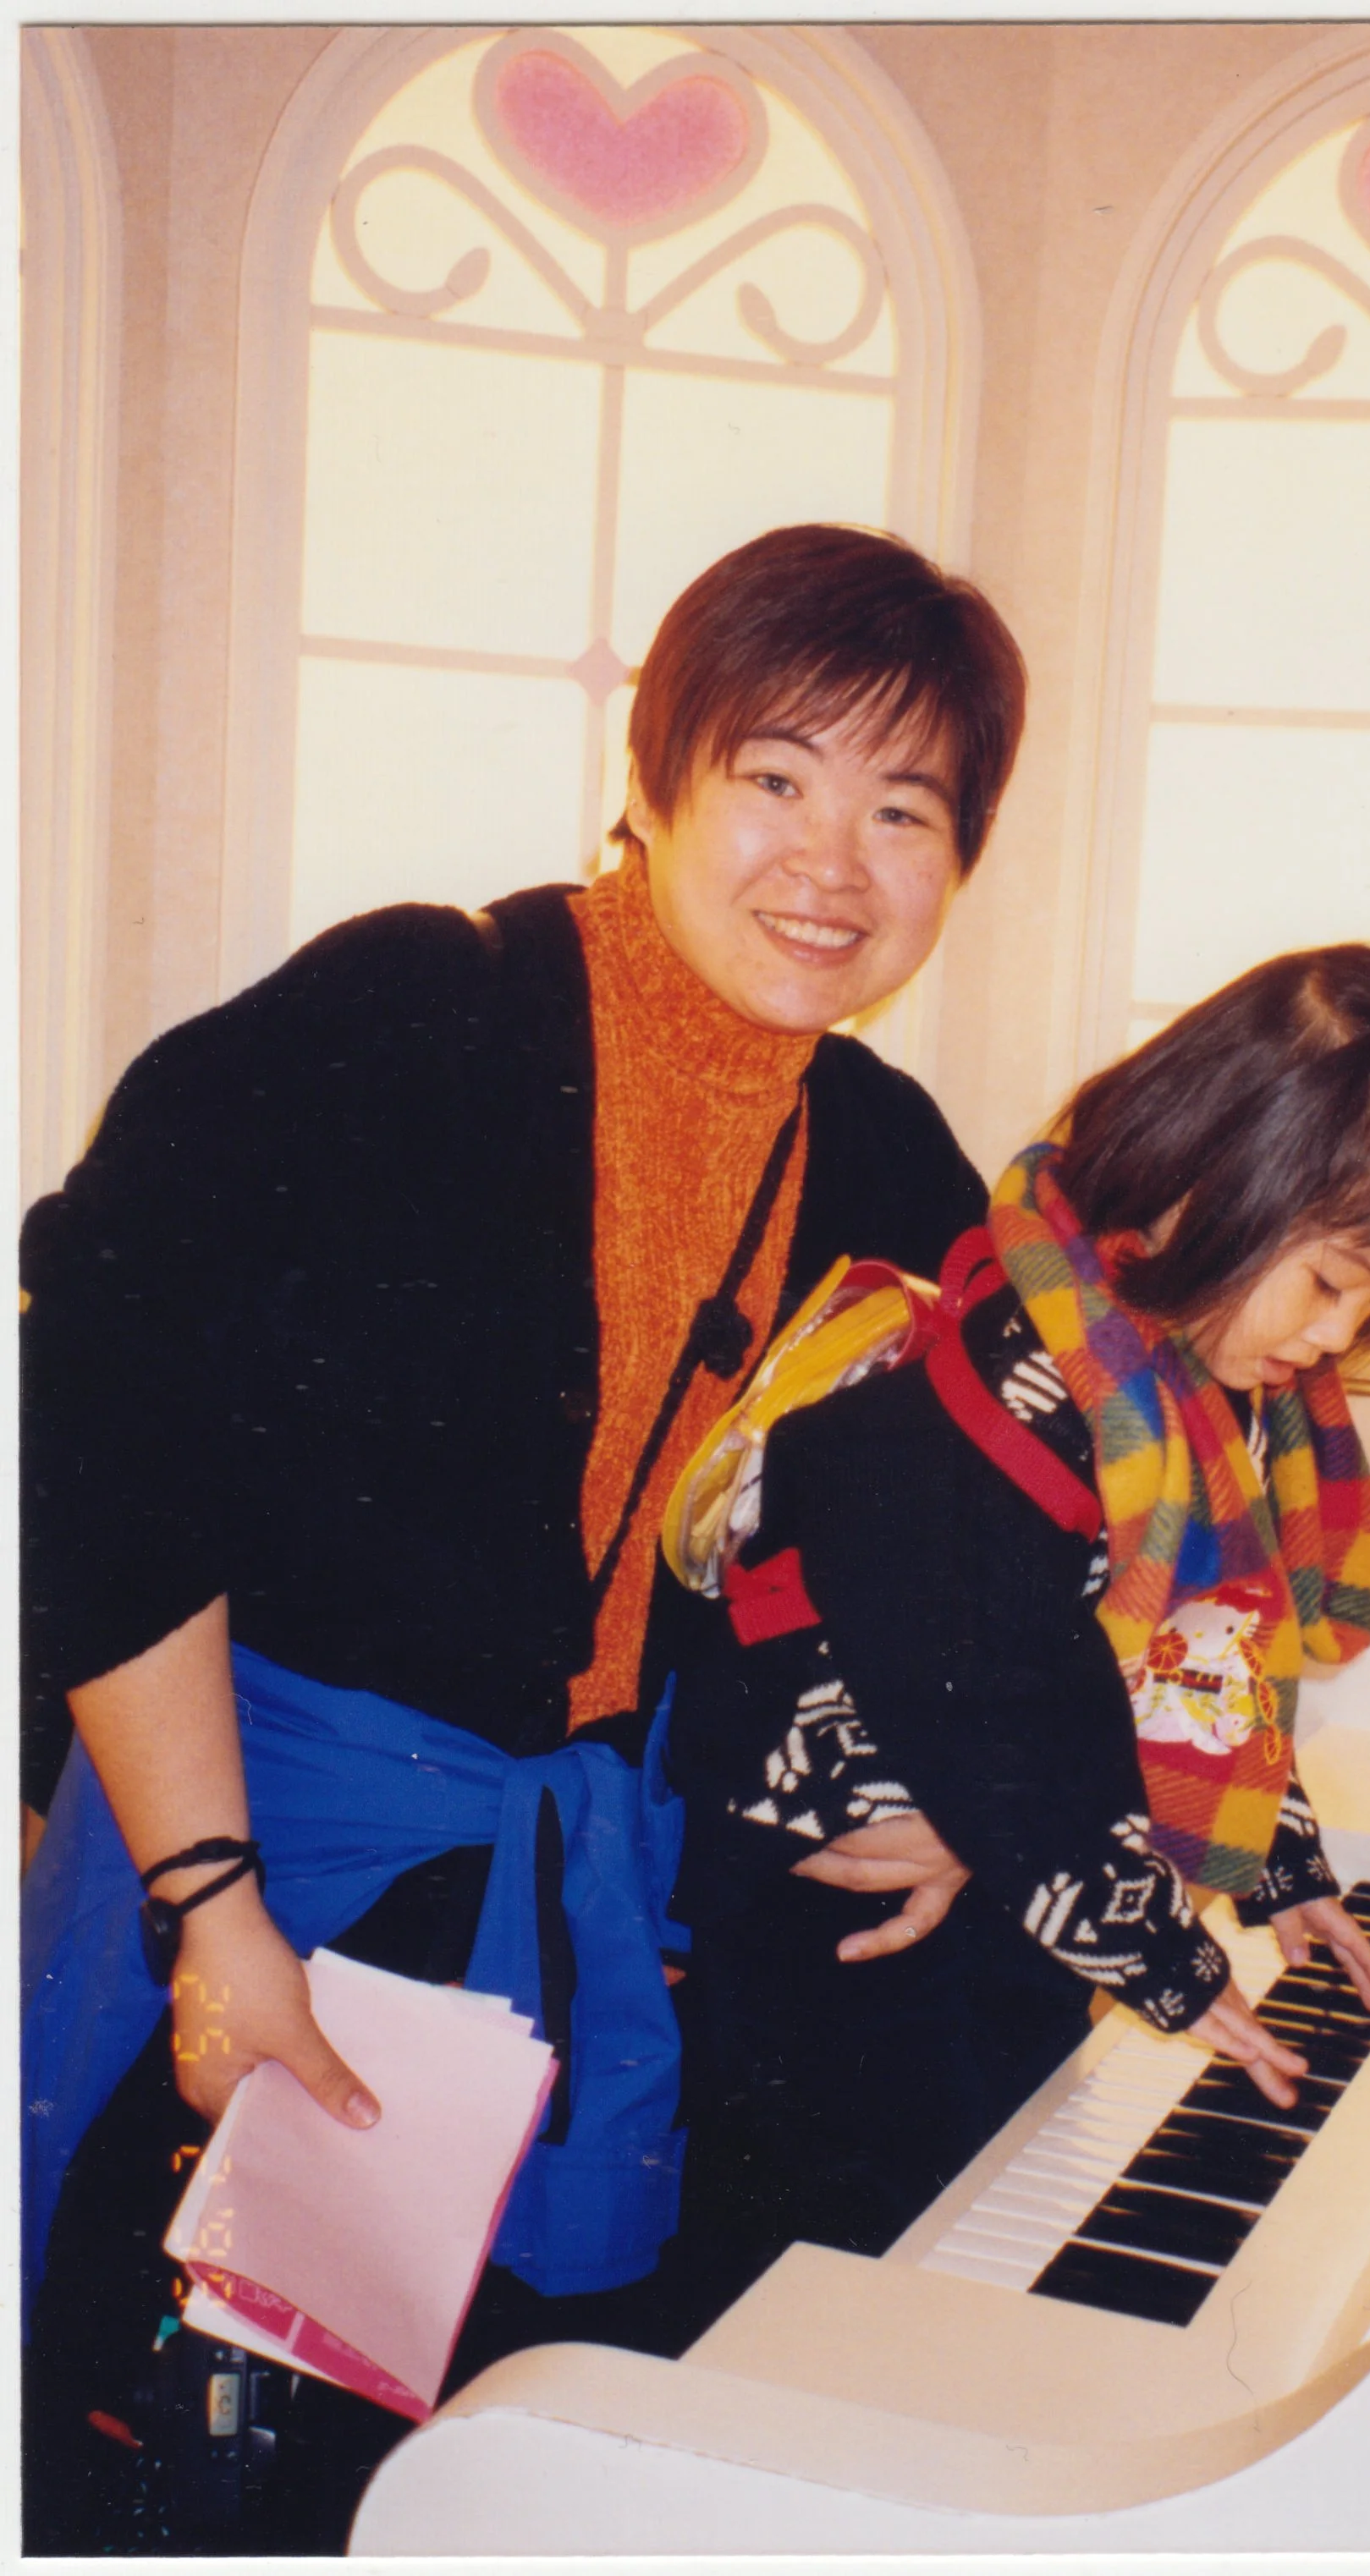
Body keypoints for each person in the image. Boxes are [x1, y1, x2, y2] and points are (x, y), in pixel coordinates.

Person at [19, 522, 1026, 2551]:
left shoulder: (897, 1158)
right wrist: (209, 1917)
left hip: (571, 1912)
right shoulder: (412, 1006)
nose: (832, 861)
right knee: (161, 2458)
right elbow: (93, 1420)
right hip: (253, 1854)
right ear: (648, 783)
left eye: (902, 806)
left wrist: (961, 1786)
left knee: (459, 2473)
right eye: (775, 776)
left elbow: (961, 1548)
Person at [653, 947, 1370, 2325]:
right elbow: (1001, 1719)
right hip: (845, 1914)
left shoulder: (1166, 1372)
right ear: (1205, 1185)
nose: (1342, 1336)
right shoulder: (1024, 1384)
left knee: (972, 2220)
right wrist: (1178, 1972)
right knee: (844, 2288)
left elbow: (1188, 1661)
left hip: (1006, 1863)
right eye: (1332, 1283)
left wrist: (1280, 1868)